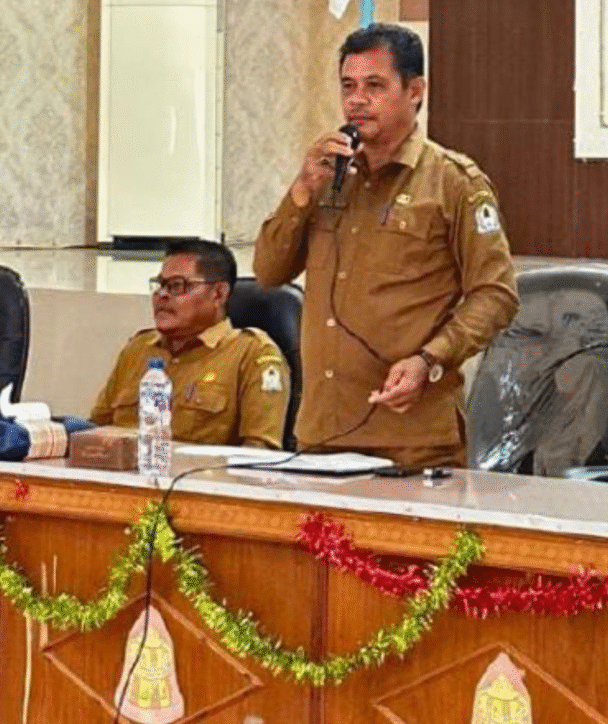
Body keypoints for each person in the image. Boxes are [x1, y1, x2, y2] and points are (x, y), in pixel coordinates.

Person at [254, 23, 518, 467]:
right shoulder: (328, 175)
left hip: (410, 438)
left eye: (374, 86)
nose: (356, 100)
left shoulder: (454, 182)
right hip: (323, 433)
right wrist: (301, 190)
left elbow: (496, 295)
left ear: (415, 91)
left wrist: (430, 360)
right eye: (348, 86)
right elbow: (268, 272)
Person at [91, 238, 289, 449]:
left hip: (205, 471)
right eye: (160, 284)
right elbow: (97, 429)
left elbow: (259, 453)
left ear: (219, 294)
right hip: (129, 468)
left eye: (177, 286)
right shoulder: (139, 348)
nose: (162, 294)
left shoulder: (252, 354)